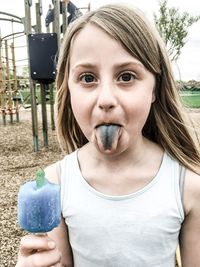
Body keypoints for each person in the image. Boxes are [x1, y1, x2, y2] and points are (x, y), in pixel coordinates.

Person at [16, 4, 200, 267]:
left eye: (126, 76)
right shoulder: (56, 184)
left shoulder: (187, 186)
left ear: (154, 90)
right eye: (88, 78)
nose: (106, 100)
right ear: (68, 90)